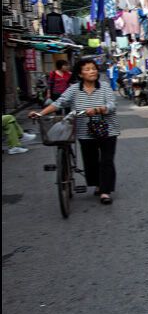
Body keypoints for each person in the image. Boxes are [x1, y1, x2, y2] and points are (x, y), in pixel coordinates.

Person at [30, 58, 121, 205]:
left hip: (107, 129)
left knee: (107, 160)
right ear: (80, 74)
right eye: (87, 69)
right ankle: (97, 184)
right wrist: (40, 113)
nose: (92, 71)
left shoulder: (104, 87)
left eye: (94, 68)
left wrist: (99, 109)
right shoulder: (74, 89)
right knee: (90, 160)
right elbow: (59, 103)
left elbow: (112, 104)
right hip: (85, 131)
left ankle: (105, 191)